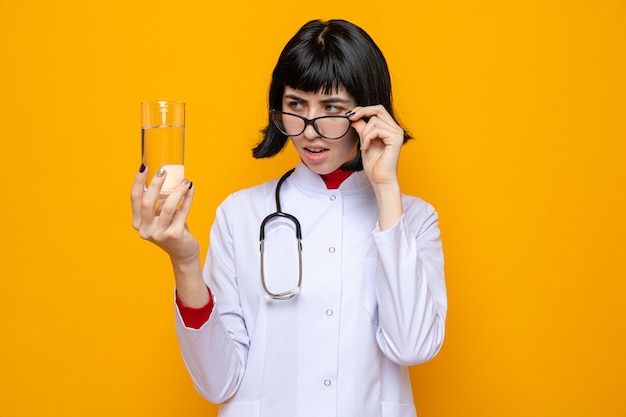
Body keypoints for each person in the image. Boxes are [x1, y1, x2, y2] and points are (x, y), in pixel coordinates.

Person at [131, 19, 447, 417]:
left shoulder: (414, 219)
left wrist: (386, 188)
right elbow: (218, 383)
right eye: (296, 106)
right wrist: (184, 261)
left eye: (331, 109)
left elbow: (413, 346)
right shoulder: (240, 214)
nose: (309, 131)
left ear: (368, 112)